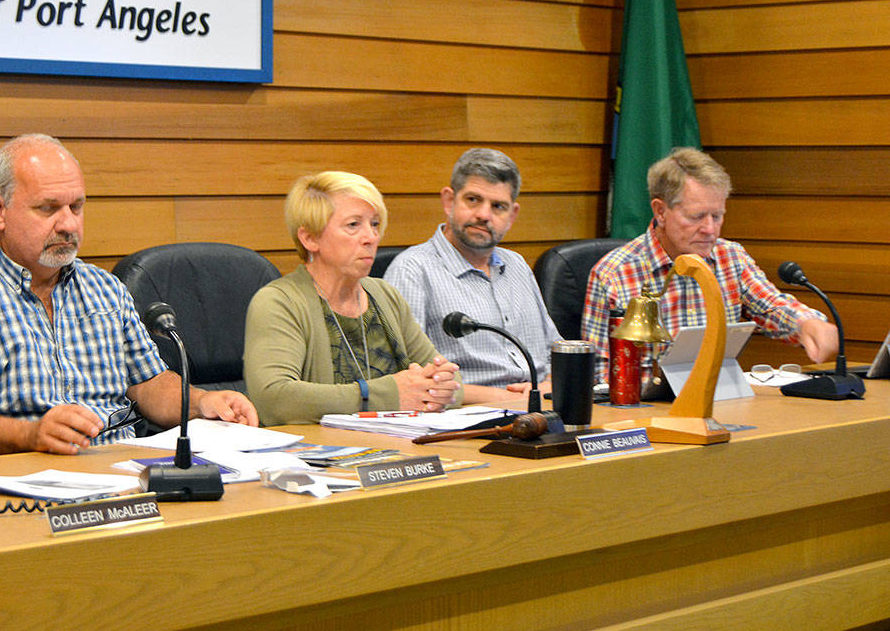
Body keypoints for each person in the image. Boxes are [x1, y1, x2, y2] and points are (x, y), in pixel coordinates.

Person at [0, 134, 257, 457]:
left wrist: (202, 403)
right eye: (48, 209)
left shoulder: (104, 288)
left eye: (76, 207)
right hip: (24, 474)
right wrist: (29, 435)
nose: (68, 224)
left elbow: (150, 383)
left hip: (124, 468)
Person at [582, 147, 838, 382]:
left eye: (717, 216)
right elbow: (598, 376)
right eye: (696, 217)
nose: (709, 229)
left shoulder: (730, 257)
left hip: (722, 405)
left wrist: (808, 324)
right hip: (645, 415)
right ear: (660, 211)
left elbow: (772, 307)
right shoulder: (613, 274)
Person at [243, 171, 462, 426]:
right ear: (310, 238)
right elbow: (274, 400)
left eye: (375, 224)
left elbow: (443, 381)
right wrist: (385, 395)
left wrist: (442, 388)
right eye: (353, 225)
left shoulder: (385, 295)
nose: (371, 238)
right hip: (320, 457)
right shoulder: (279, 302)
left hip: (399, 447)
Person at [384, 148, 562, 406]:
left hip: (543, 408)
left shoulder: (517, 265)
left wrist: (547, 387)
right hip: (467, 418)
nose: (484, 215)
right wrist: (509, 398)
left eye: (498, 206)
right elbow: (411, 379)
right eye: (473, 200)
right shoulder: (413, 270)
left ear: (512, 216)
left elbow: (555, 351)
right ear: (449, 201)